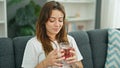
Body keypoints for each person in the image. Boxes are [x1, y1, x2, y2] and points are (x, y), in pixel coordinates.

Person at [21, 1, 83, 68]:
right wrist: (45, 63)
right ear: (43, 21)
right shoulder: (33, 44)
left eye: (60, 20)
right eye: (52, 20)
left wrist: (74, 62)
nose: (57, 25)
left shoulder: (70, 40)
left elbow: (80, 66)